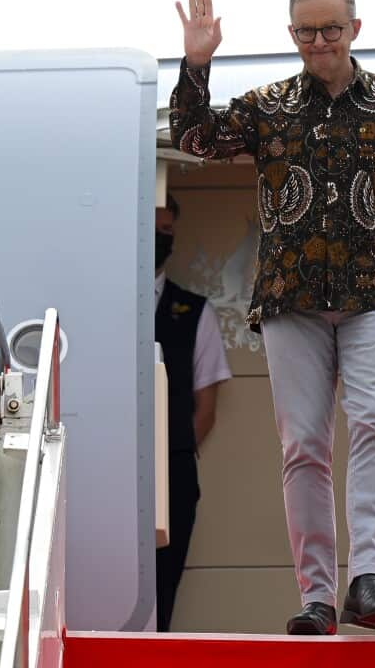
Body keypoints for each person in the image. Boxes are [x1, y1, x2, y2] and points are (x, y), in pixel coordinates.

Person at [170, 0, 375, 635]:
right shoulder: (270, 105)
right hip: (290, 299)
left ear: (355, 28)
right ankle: (319, 595)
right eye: (306, 31)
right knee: (303, 444)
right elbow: (195, 137)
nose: (319, 41)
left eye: (330, 29)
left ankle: (368, 577)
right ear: (291, 35)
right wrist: (197, 63)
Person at [154, 192, 233, 632]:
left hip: (175, 474)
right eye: (154, 230)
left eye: (168, 232)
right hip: (108, 471)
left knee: (164, 591)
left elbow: (206, 408)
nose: (161, 240)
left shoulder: (195, 310)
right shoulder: (108, 305)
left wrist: (170, 456)